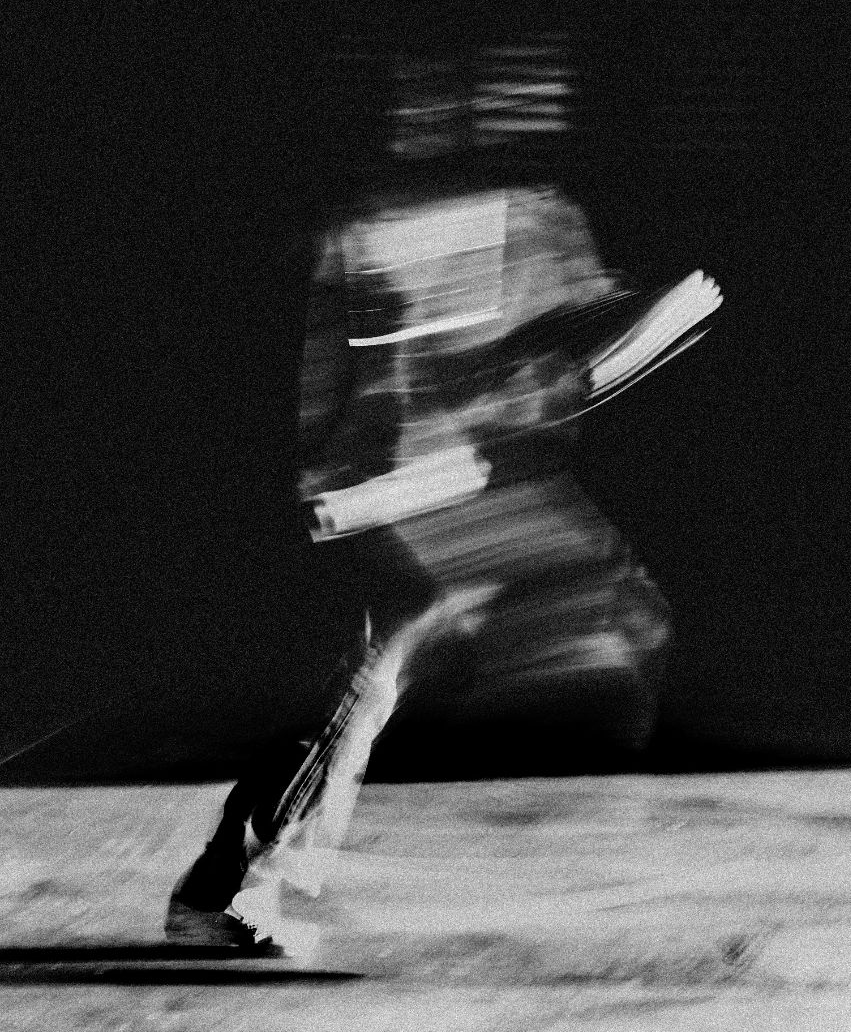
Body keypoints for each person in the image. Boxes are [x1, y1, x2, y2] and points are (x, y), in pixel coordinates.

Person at [163, 149, 680, 953]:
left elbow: (480, 361)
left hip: (393, 489)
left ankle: (261, 882)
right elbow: (384, 382)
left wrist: (600, 349)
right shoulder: (403, 239)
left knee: (370, 685)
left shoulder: (458, 235)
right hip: (371, 495)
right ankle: (227, 886)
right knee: (363, 682)